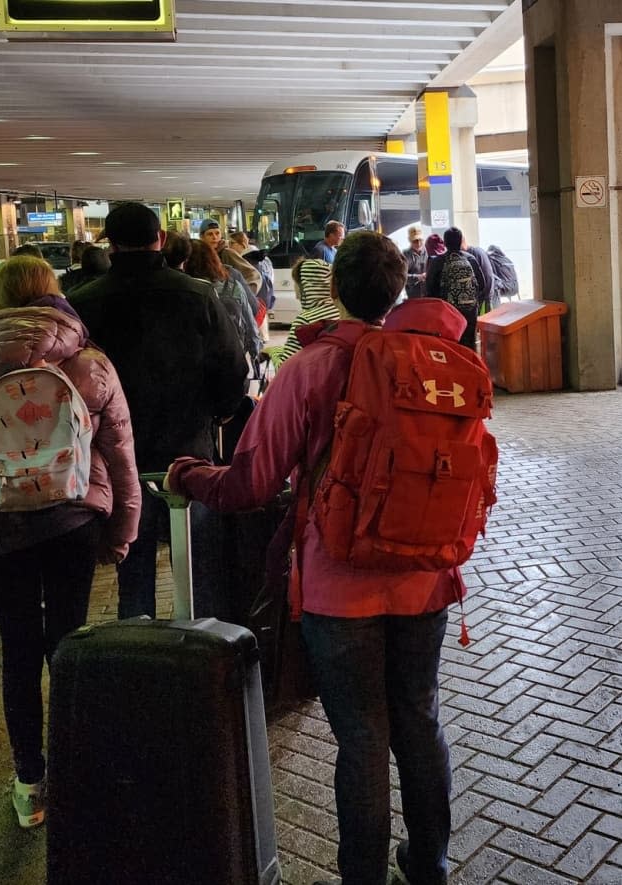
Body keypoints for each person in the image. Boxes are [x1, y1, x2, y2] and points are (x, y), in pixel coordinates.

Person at [166, 231, 462, 885]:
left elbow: (250, 482)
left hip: (339, 586)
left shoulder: (310, 367)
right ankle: (431, 860)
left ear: (335, 291)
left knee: (362, 732)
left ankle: (362, 874)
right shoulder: (432, 361)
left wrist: (189, 476)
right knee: (419, 714)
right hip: (425, 579)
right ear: (399, 289)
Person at [0, 255, 140, 829]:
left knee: (18, 653)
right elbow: (120, 459)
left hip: (0, 530)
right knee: (70, 642)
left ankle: (30, 782)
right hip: (74, 522)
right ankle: (79, 766)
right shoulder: (90, 367)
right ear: (53, 294)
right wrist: (121, 534)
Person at [69, 202, 248, 620]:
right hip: (190, 451)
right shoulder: (197, 294)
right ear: (161, 240)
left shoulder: (83, 303)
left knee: (132, 565)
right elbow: (233, 368)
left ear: (110, 245)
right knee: (198, 561)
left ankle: (140, 648)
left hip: (116, 458)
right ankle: (204, 642)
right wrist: (219, 413)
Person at [186, 238, 262, 374]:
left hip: (197, 364)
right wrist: (255, 354)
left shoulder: (185, 291)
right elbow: (250, 322)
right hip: (232, 357)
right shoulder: (232, 285)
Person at [267, 257, 337, 369]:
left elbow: (284, 367)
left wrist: (272, 351)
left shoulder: (306, 321)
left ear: (305, 286)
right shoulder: (339, 312)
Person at [425, 227, 485, 351]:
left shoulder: (438, 262)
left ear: (445, 243)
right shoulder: (470, 259)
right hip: (469, 312)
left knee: (451, 346)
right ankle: (471, 368)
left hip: (447, 312)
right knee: (469, 346)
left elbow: (429, 290)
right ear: (460, 241)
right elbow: (482, 285)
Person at [200, 220, 262, 298]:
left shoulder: (226, 253)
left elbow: (253, 275)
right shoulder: (199, 254)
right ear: (202, 237)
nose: (215, 237)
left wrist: (245, 297)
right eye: (210, 234)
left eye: (217, 233)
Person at [402, 224, 427, 298]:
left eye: (420, 240)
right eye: (415, 241)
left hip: (428, 295)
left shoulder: (428, 252)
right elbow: (402, 276)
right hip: (413, 296)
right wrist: (418, 277)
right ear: (410, 240)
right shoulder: (405, 255)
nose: (418, 243)